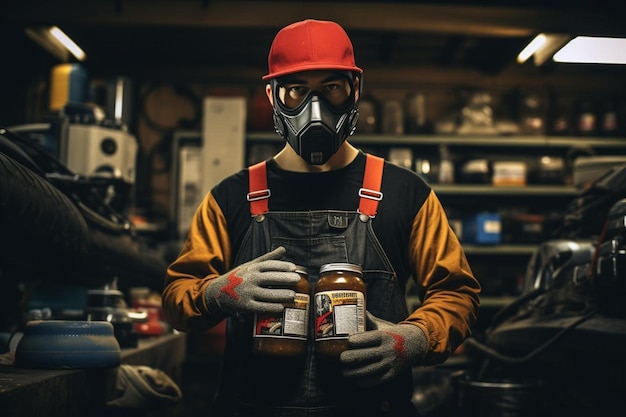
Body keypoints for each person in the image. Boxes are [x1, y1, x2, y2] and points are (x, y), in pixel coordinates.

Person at [163, 18, 481, 417]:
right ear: (273, 95)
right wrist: (217, 293)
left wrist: (414, 339)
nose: (316, 110)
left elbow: (457, 294)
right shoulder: (232, 198)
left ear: (355, 90)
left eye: (331, 87)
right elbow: (178, 297)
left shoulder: (406, 194)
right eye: (297, 90)